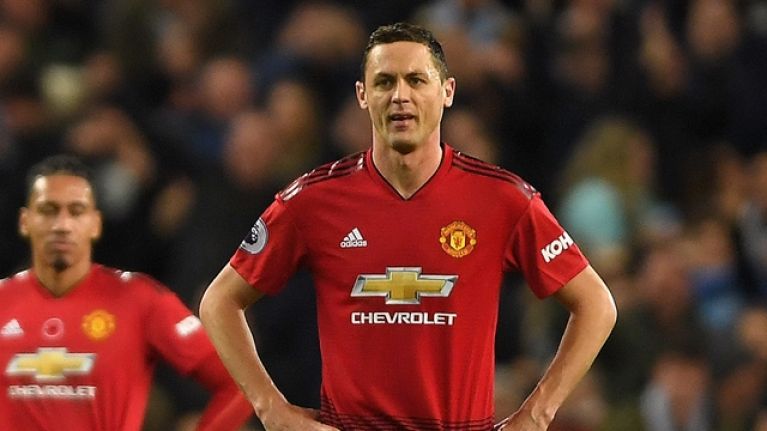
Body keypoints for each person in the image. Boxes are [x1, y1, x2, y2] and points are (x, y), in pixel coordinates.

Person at [200, 22, 617, 431]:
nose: (400, 95)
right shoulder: (312, 201)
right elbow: (219, 302)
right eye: (384, 82)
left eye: (417, 80)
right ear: (362, 95)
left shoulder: (503, 199)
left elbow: (596, 304)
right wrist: (271, 410)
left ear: (447, 92)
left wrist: (536, 415)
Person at [0, 155, 254, 430]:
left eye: (76, 211)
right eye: (48, 210)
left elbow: (239, 383)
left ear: (95, 223)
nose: (62, 225)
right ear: (25, 221)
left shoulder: (138, 300)